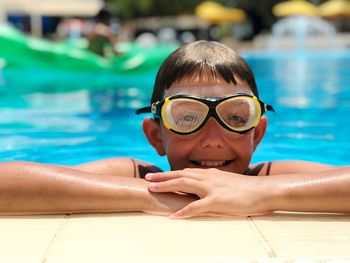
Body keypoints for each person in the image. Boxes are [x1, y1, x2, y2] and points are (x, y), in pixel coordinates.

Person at [1, 41, 349, 218]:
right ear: (156, 136)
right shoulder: (139, 177)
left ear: (256, 134)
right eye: (186, 117)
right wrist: (154, 197)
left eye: (235, 116)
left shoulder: (268, 179)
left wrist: (263, 195)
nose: (213, 140)